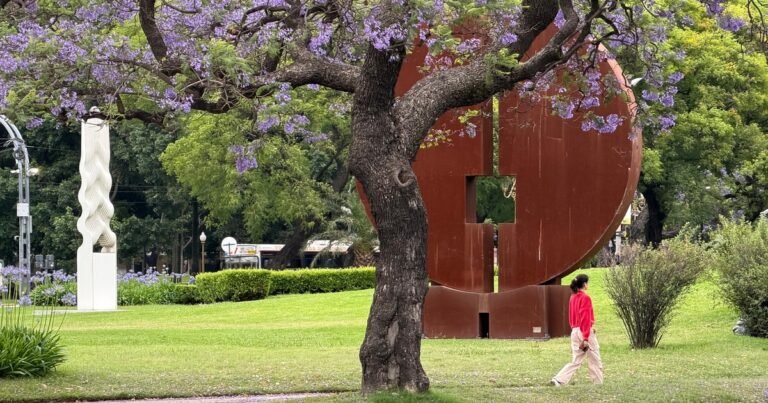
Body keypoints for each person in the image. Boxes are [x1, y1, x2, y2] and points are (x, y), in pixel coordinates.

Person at [551, 273, 604, 386]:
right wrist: (586, 337)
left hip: (574, 331)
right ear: (584, 284)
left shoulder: (572, 297)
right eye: (587, 282)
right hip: (584, 331)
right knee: (594, 358)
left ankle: (559, 379)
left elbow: (572, 316)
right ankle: (598, 383)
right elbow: (585, 317)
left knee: (576, 360)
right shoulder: (585, 298)